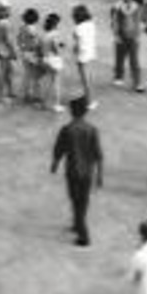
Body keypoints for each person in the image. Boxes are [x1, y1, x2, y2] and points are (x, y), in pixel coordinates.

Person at [51, 96, 104, 246]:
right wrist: (99, 175)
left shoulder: (67, 129)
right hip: (88, 172)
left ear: (71, 112)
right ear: (85, 112)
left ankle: (83, 235)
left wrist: (54, 164)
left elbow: (59, 149)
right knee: (83, 200)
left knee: (75, 200)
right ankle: (77, 223)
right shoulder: (92, 130)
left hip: (73, 171)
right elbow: (98, 155)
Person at [110, 0, 144, 92]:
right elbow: (114, 21)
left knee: (134, 60)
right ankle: (118, 76)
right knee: (120, 57)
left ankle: (137, 82)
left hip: (133, 36)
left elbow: (138, 22)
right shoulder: (117, 6)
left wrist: (138, 35)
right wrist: (116, 35)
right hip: (121, 35)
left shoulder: (136, 7)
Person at [0, 1, 17, 104]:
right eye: (8, 9)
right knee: (3, 71)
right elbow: (8, 40)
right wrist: (13, 52)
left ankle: (10, 91)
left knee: (9, 70)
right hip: (4, 49)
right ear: (3, 10)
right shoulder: (5, 23)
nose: (10, 11)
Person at [71, 4, 98, 108]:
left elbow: (77, 45)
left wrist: (74, 51)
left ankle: (89, 101)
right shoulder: (91, 24)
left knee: (85, 79)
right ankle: (90, 97)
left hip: (82, 56)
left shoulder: (77, 28)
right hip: (91, 53)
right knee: (89, 77)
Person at [40, 12, 67, 112]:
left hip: (45, 59)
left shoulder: (45, 35)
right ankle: (57, 104)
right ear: (55, 25)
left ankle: (44, 102)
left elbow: (45, 47)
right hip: (53, 60)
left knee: (50, 82)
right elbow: (56, 49)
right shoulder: (55, 34)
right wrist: (61, 49)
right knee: (56, 83)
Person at [16, 8, 43, 104]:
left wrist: (21, 47)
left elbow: (18, 39)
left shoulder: (22, 27)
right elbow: (35, 43)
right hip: (31, 54)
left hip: (24, 53)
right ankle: (36, 96)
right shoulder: (32, 30)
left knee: (27, 74)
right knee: (35, 76)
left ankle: (26, 95)